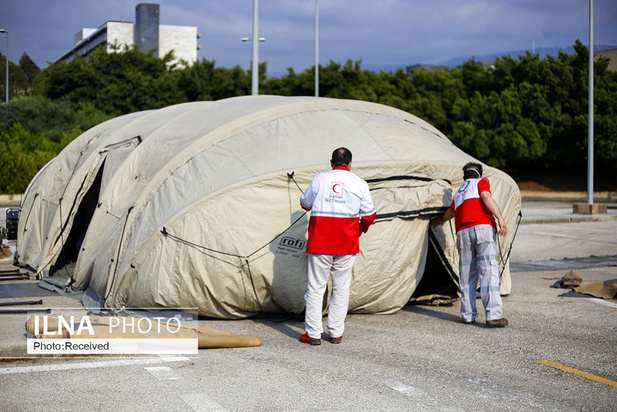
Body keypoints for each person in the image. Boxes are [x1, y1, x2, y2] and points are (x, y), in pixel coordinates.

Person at [299, 147, 377, 345]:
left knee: (316, 288)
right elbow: (369, 215)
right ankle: (335, 332)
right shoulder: (360, 183)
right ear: (350, 164)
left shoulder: (319, 179)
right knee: (341, 289)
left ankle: (313, 333)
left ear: (331, 162)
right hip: (346, 243)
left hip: (320, 242)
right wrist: (360, 230)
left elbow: (305, 203)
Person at [431, 162, 509, 327]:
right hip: (482, 228)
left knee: (467, 275)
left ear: (464, 176)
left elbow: (451, 213)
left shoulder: (459, 192)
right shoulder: (481, 182)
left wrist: (438, 221)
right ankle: (493, 315)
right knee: (488, 272)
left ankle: (467, 315)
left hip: (463, 233)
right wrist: (501, 219)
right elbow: (486, 197)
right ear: (479, 174)